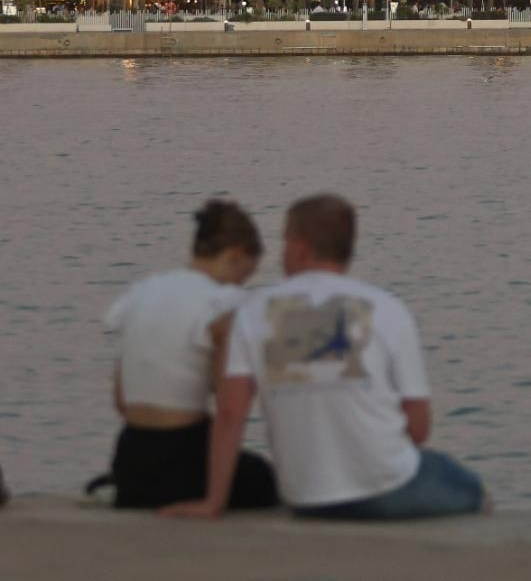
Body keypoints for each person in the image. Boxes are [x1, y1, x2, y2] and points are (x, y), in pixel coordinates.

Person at [164, 194, 485, 521]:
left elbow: (231, 413)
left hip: (306, 498)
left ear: (301, 247)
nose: (282, 254)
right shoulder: (388, 309)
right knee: (465, 484)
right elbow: (418, 427)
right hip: (386, 490)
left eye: (285, 242)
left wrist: (213, 502)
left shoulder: (252, 312)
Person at [101, 200, 278, 510]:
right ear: (235, 255)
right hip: (183, 456)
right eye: (245, 275)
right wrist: (214, 502)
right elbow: (229, 411)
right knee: (263, 477)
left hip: (129, 460)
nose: (243, 284)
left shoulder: (142, 292)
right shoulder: (224, 303)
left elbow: (121, 399)